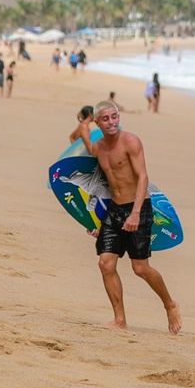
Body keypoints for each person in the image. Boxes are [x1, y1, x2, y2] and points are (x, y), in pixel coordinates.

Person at [76, 101, 181, 334]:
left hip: (138, 207)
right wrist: (93, 221)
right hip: (114, 210)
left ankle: (169, 304)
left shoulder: (131, 142)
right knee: (105, 263)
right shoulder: (97, 148)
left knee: (140, 268)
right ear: (97, 122)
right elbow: (80, 136)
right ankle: (119, 319)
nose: (112, 122)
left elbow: (143, 177)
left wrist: (135, 213)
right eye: (105, 119)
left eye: (114, 117)